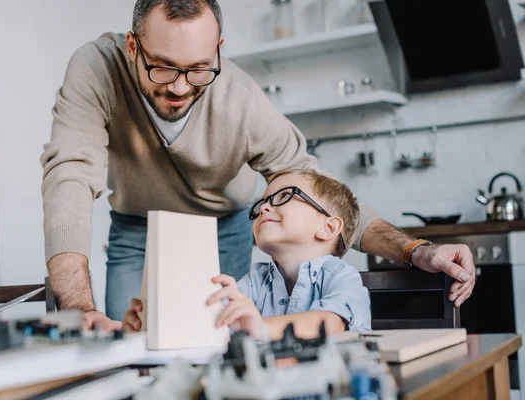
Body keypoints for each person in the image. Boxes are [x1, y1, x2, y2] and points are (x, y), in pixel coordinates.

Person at [40, 0, 475, 330]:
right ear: (133, 47)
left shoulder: (240, 100)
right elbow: (69, 176)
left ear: (218, 51)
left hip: (226, 223)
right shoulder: (96, 69)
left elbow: (325, 200)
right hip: (140, 226)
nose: (179, 86)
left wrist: (415, 250)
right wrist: (81, 313)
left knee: (217, 339)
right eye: (163, 68)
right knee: (127, 341)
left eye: (197, 70)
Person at [124, 169, 371, 338]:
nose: (263, 207)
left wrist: (261, 327)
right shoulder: (254, 281)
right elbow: (215, 323)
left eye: (284, 196)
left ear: (328, 227)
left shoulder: (342, 277)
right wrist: (153, 325)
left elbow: (331, 324)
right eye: (262, 202)